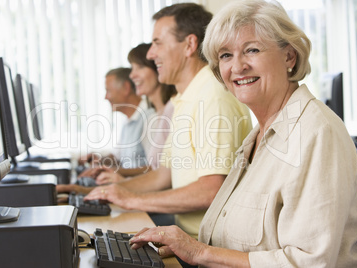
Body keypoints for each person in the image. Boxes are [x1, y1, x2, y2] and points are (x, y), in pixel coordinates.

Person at [128, 0, 357, 267]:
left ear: (289, 56)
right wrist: (185, 248)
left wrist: (198, 252)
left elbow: (308, 262)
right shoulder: (259, 135)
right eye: (226, 55)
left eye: (251, 50)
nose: (237, 67)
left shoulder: (317, 133)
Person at [84, 2, 252, 240]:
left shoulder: (211, 96)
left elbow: (212, 189)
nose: (151, 54)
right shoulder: (185, 97)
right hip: (189, 235)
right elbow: (164, 174)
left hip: (209, 245)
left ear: (189, 45)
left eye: (157, 43)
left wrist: (132, 199)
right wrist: (115, 191)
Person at [88, 43, 177, 185]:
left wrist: (117, 173)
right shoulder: (134, 121)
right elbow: (121, 158)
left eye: (139, 67)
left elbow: (155, 170)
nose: (132, 75)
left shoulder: (156, 116)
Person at [74, 67, 155, 176]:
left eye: (108, 91)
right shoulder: (128, 121)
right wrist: (100, 160)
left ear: (126, 88)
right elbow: (118, 157)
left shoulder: (150, 119)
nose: (106, 97)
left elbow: (155, 169)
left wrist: (112, 171)